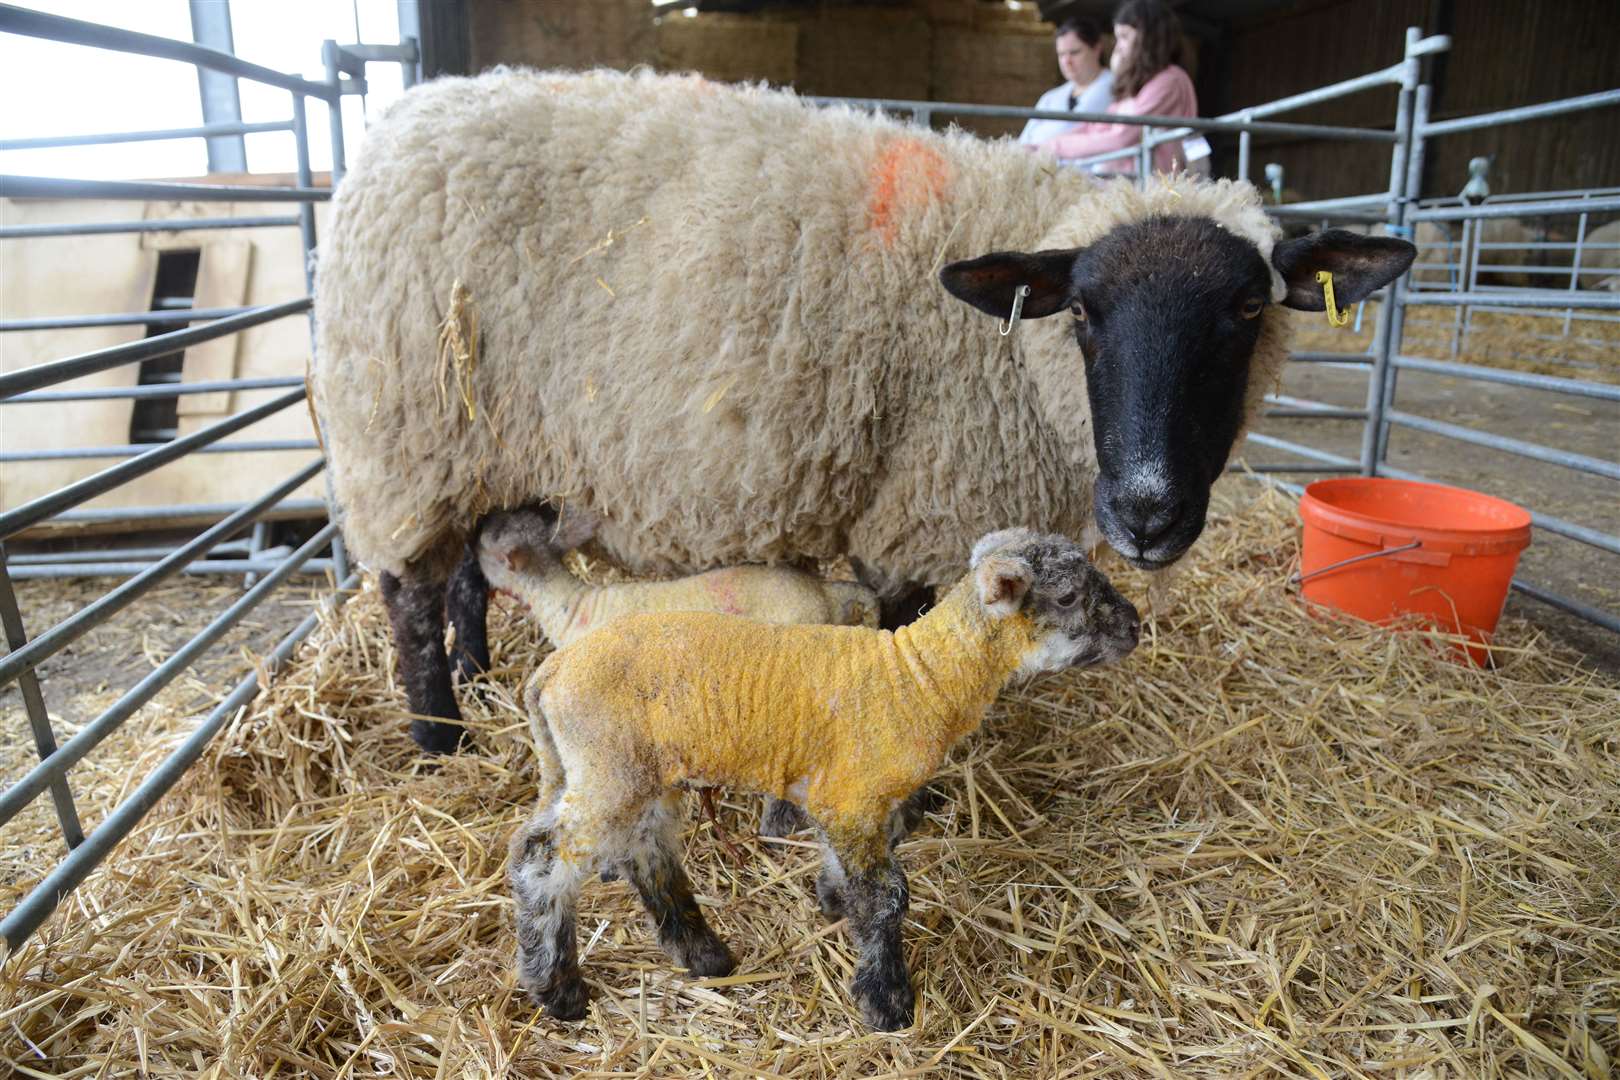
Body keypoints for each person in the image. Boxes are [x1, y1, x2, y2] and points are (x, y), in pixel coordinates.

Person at [1030, 0, 1202, 177]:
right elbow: (1099, 126)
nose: (1118, 46)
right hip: (1127, 183)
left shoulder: (1169, 80)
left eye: (1125, 37)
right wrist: (1043, 145)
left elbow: (1121, 137)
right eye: (1117, 37)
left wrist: (1053, 147)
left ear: (1148, 37)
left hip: (1157, 186)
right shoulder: (1140, 84)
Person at [1018, 18, 1114, 152]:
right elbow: (1023, 141)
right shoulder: (1050, 98)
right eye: (1061, 54)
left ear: (1097, 49)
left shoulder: (1116, 89)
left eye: (1074, 52)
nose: (1066, 61)